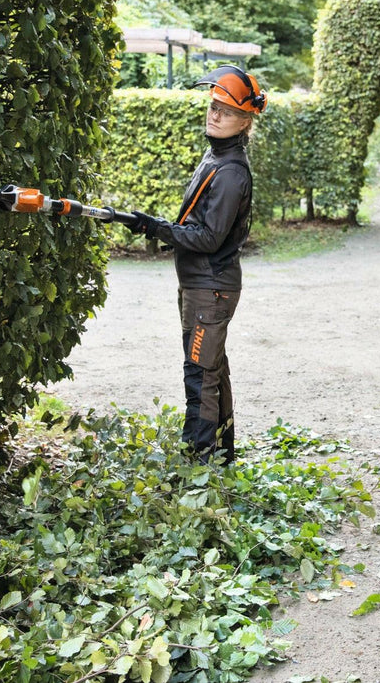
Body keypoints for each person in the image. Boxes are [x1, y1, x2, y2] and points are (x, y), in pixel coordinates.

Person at [129, 66, 266, 464]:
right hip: (200, 285)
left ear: (244, 121)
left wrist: (158, 229)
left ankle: (199, 464)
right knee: (212, 369)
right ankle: (222, 458)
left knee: (200, 374)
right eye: (213, 106)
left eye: (225, 110)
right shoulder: (216, 156)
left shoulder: (230, 173)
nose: (215, 114)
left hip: (211, 288)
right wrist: (156, 226)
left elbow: (208, 237)